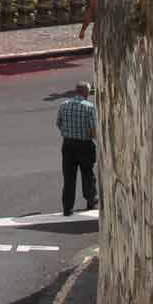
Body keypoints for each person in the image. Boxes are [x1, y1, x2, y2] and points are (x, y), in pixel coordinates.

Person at [57, 80, 98, 215]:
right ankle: (90, 201)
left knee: (69, 177)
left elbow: (59, 123)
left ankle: (67, 207)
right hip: (85, 145)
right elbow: (93, 130)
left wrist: (68, 133)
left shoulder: (63, 105)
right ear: (85, 93)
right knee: (87, 174)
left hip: (68, 144)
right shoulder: (89, 107)